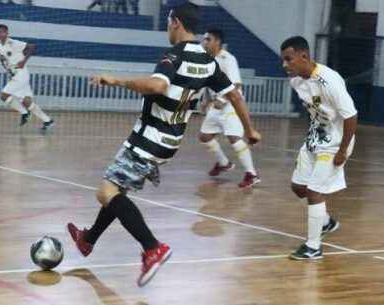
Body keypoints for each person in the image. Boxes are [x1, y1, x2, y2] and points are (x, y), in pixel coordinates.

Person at [66, 3, 261, 287]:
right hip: (170, 140)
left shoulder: (174, 55)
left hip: (149, 137)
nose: (168, 28)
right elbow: (236, 97)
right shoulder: (209, 61)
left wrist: (116, 80)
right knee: (118, 188)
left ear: (176, 23)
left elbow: (157, 86)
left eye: (169, 22)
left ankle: (152, 248)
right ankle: (89, 239)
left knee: (106, 192)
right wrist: (250, 129)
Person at [280, 36, 357, 260]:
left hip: (335, 144)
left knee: (315, 191)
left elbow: (351, 116)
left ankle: (313, 247)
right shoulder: (296, 80)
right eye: (282, 60)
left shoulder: (329, 80)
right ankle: (325, 222)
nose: (285, 64)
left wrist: (342, 151)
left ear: (304, 56)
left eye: (288, 59)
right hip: (315, 139)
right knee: (298, 187)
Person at [199, 28, 259, 188]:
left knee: (233, 138)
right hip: (216, 104)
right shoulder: (206, 59)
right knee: (205, 136)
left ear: (217, 42)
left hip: (231, 104)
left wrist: (221, 99)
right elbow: (207, 82)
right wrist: (205, 100)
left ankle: (252, 174)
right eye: (204, 39)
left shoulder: (228, 59)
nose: (205, 42)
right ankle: (224, 163)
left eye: (208, 39)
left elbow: (235, 84)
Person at [0, 24, 55, 130]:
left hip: (21, 73)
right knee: (26, 101)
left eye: (4, 32)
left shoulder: (13, 43)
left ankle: (25, 113)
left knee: (3, 95)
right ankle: (48, 121)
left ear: (7, 33)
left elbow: (31, 47)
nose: (1, 34)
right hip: (14, 75)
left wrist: (23, 61)